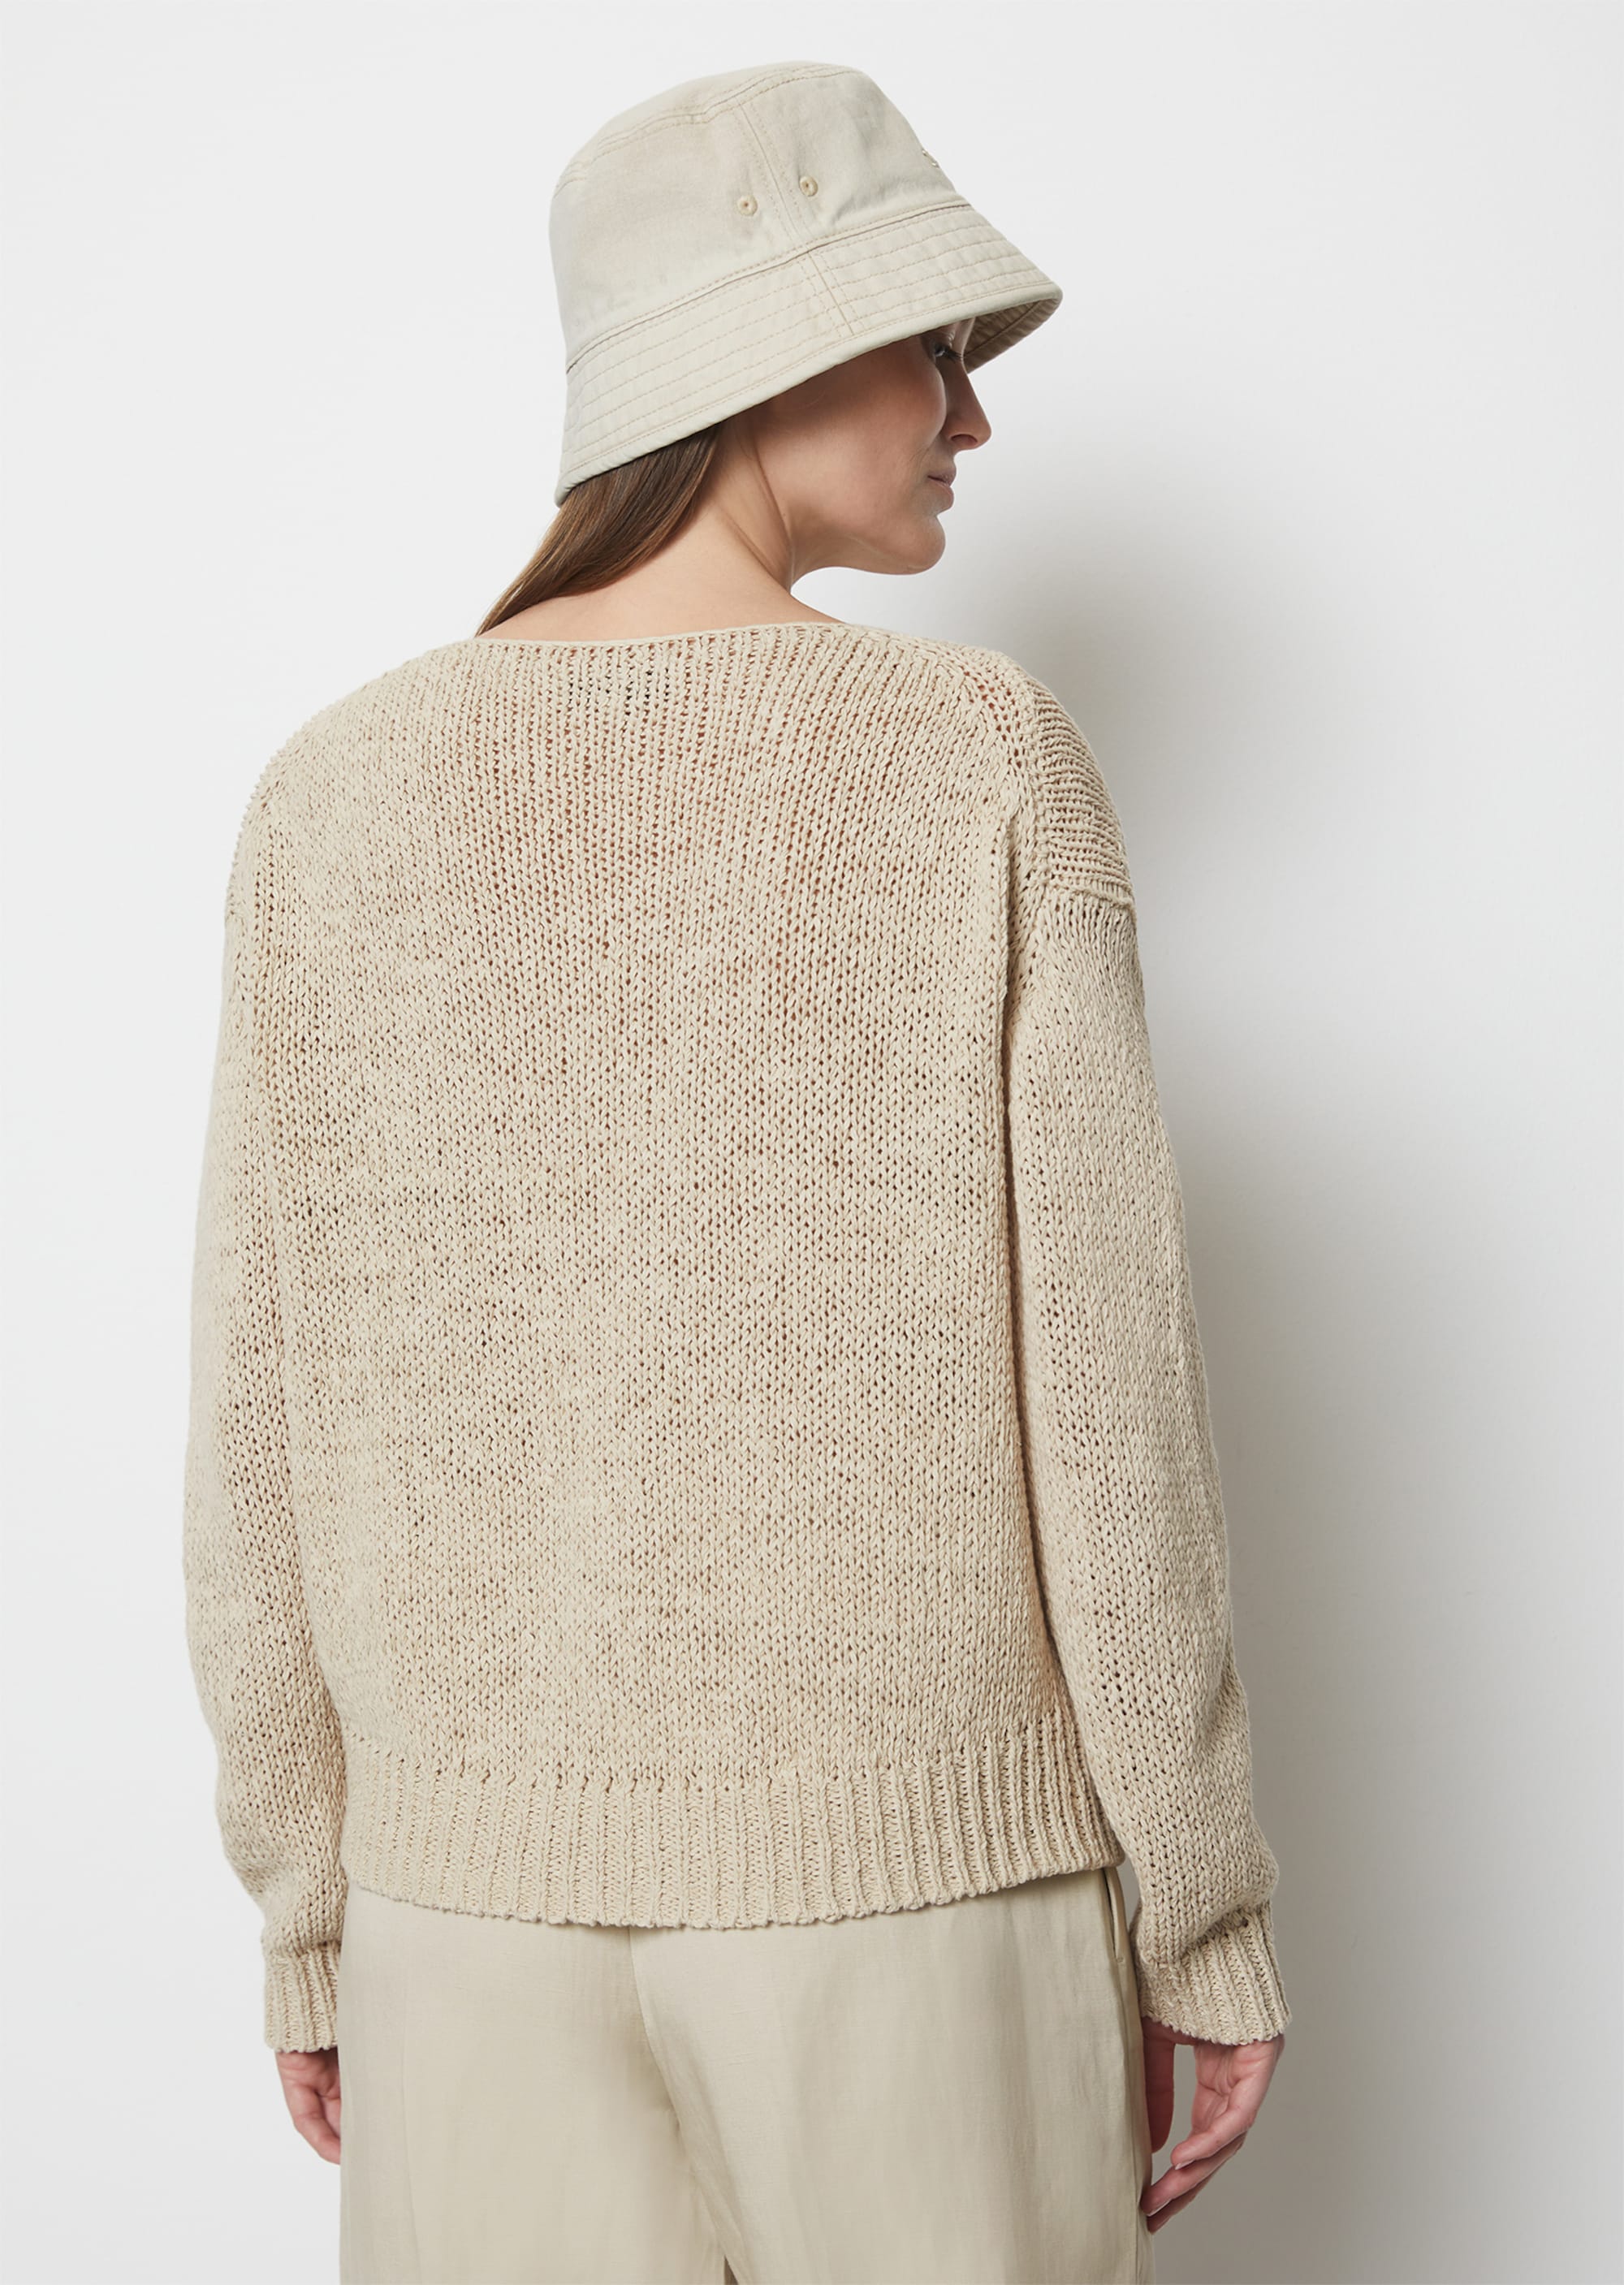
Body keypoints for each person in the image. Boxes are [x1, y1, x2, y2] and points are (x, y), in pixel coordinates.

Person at [182, 58, 1291, 2285]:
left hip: (457, 1925)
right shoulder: (980, 759)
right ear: (777, 349)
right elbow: (1106, 1415)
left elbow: (253, 1426)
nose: (973, 418)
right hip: (916, 1908)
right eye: (938, 349)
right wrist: (1204, 1909)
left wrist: (314, 1914)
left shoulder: (336, 793)